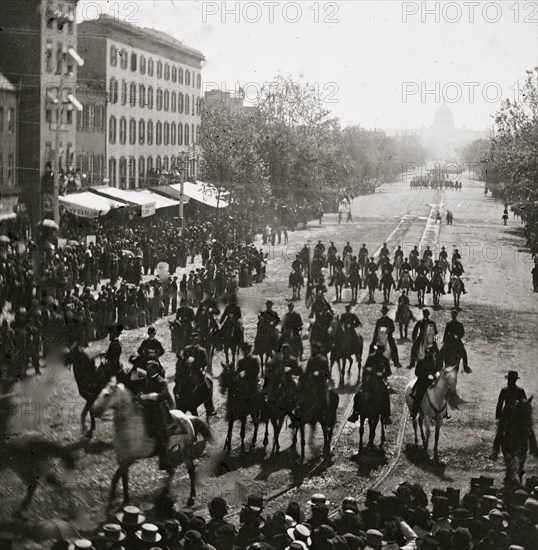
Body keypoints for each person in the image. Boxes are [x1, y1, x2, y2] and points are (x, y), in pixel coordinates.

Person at [138, 363, 174, 470]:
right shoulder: (146, 379)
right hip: (146, 406)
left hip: (159, 409)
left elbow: (164, 395)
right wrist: (140, 395)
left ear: (155, 370)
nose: (147, 371)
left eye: (149, 369)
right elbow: (140, 388)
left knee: (160, 430)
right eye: (147, 369)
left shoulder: (161, 381)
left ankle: (162, 454)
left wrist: (150, 396)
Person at [348, 344, 392, 424]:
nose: (379, 352)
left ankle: (386, 415)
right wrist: (369, 372)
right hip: (369, 380)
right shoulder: (371, 357)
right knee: (358, 394)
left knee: (385, 394)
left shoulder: (385, 359)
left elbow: (388, 372)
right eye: (378, 350)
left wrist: (382, 374)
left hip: (379, 381)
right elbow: (365, 369)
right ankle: (355, 413)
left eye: (380, 350)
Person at [490, 371, 528, 460]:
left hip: (506, 414)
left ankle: (495, 452)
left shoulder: (504, 390)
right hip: (516, 415)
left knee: (500, 432)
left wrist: (498, 417)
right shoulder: (520, 391)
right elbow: (525, 404)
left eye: (510, 379)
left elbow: (499, 404)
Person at [184, 332, 216, 415]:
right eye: (192, 338)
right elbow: (183, 359)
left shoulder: (202, 350)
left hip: (197, 371)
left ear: (198, 340)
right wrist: (186, 362)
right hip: (187, 371)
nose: (193, 340)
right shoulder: (187, 349)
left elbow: (205, 362)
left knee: (206, 385)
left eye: (195, 338)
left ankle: (210, 407)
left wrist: (194, 362)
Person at [410, 345, 440, 417]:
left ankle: (443, 412)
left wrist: (437, 373)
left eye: (432, 353)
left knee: (442, 392)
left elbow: (436, 369)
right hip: (422, 381)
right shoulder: (421, 360)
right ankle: (414, 412)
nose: (431, 354)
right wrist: (427, 376)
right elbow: (417, 372)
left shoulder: (434, 360)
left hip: (432, 381)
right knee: (419, 396)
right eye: (429, 353)